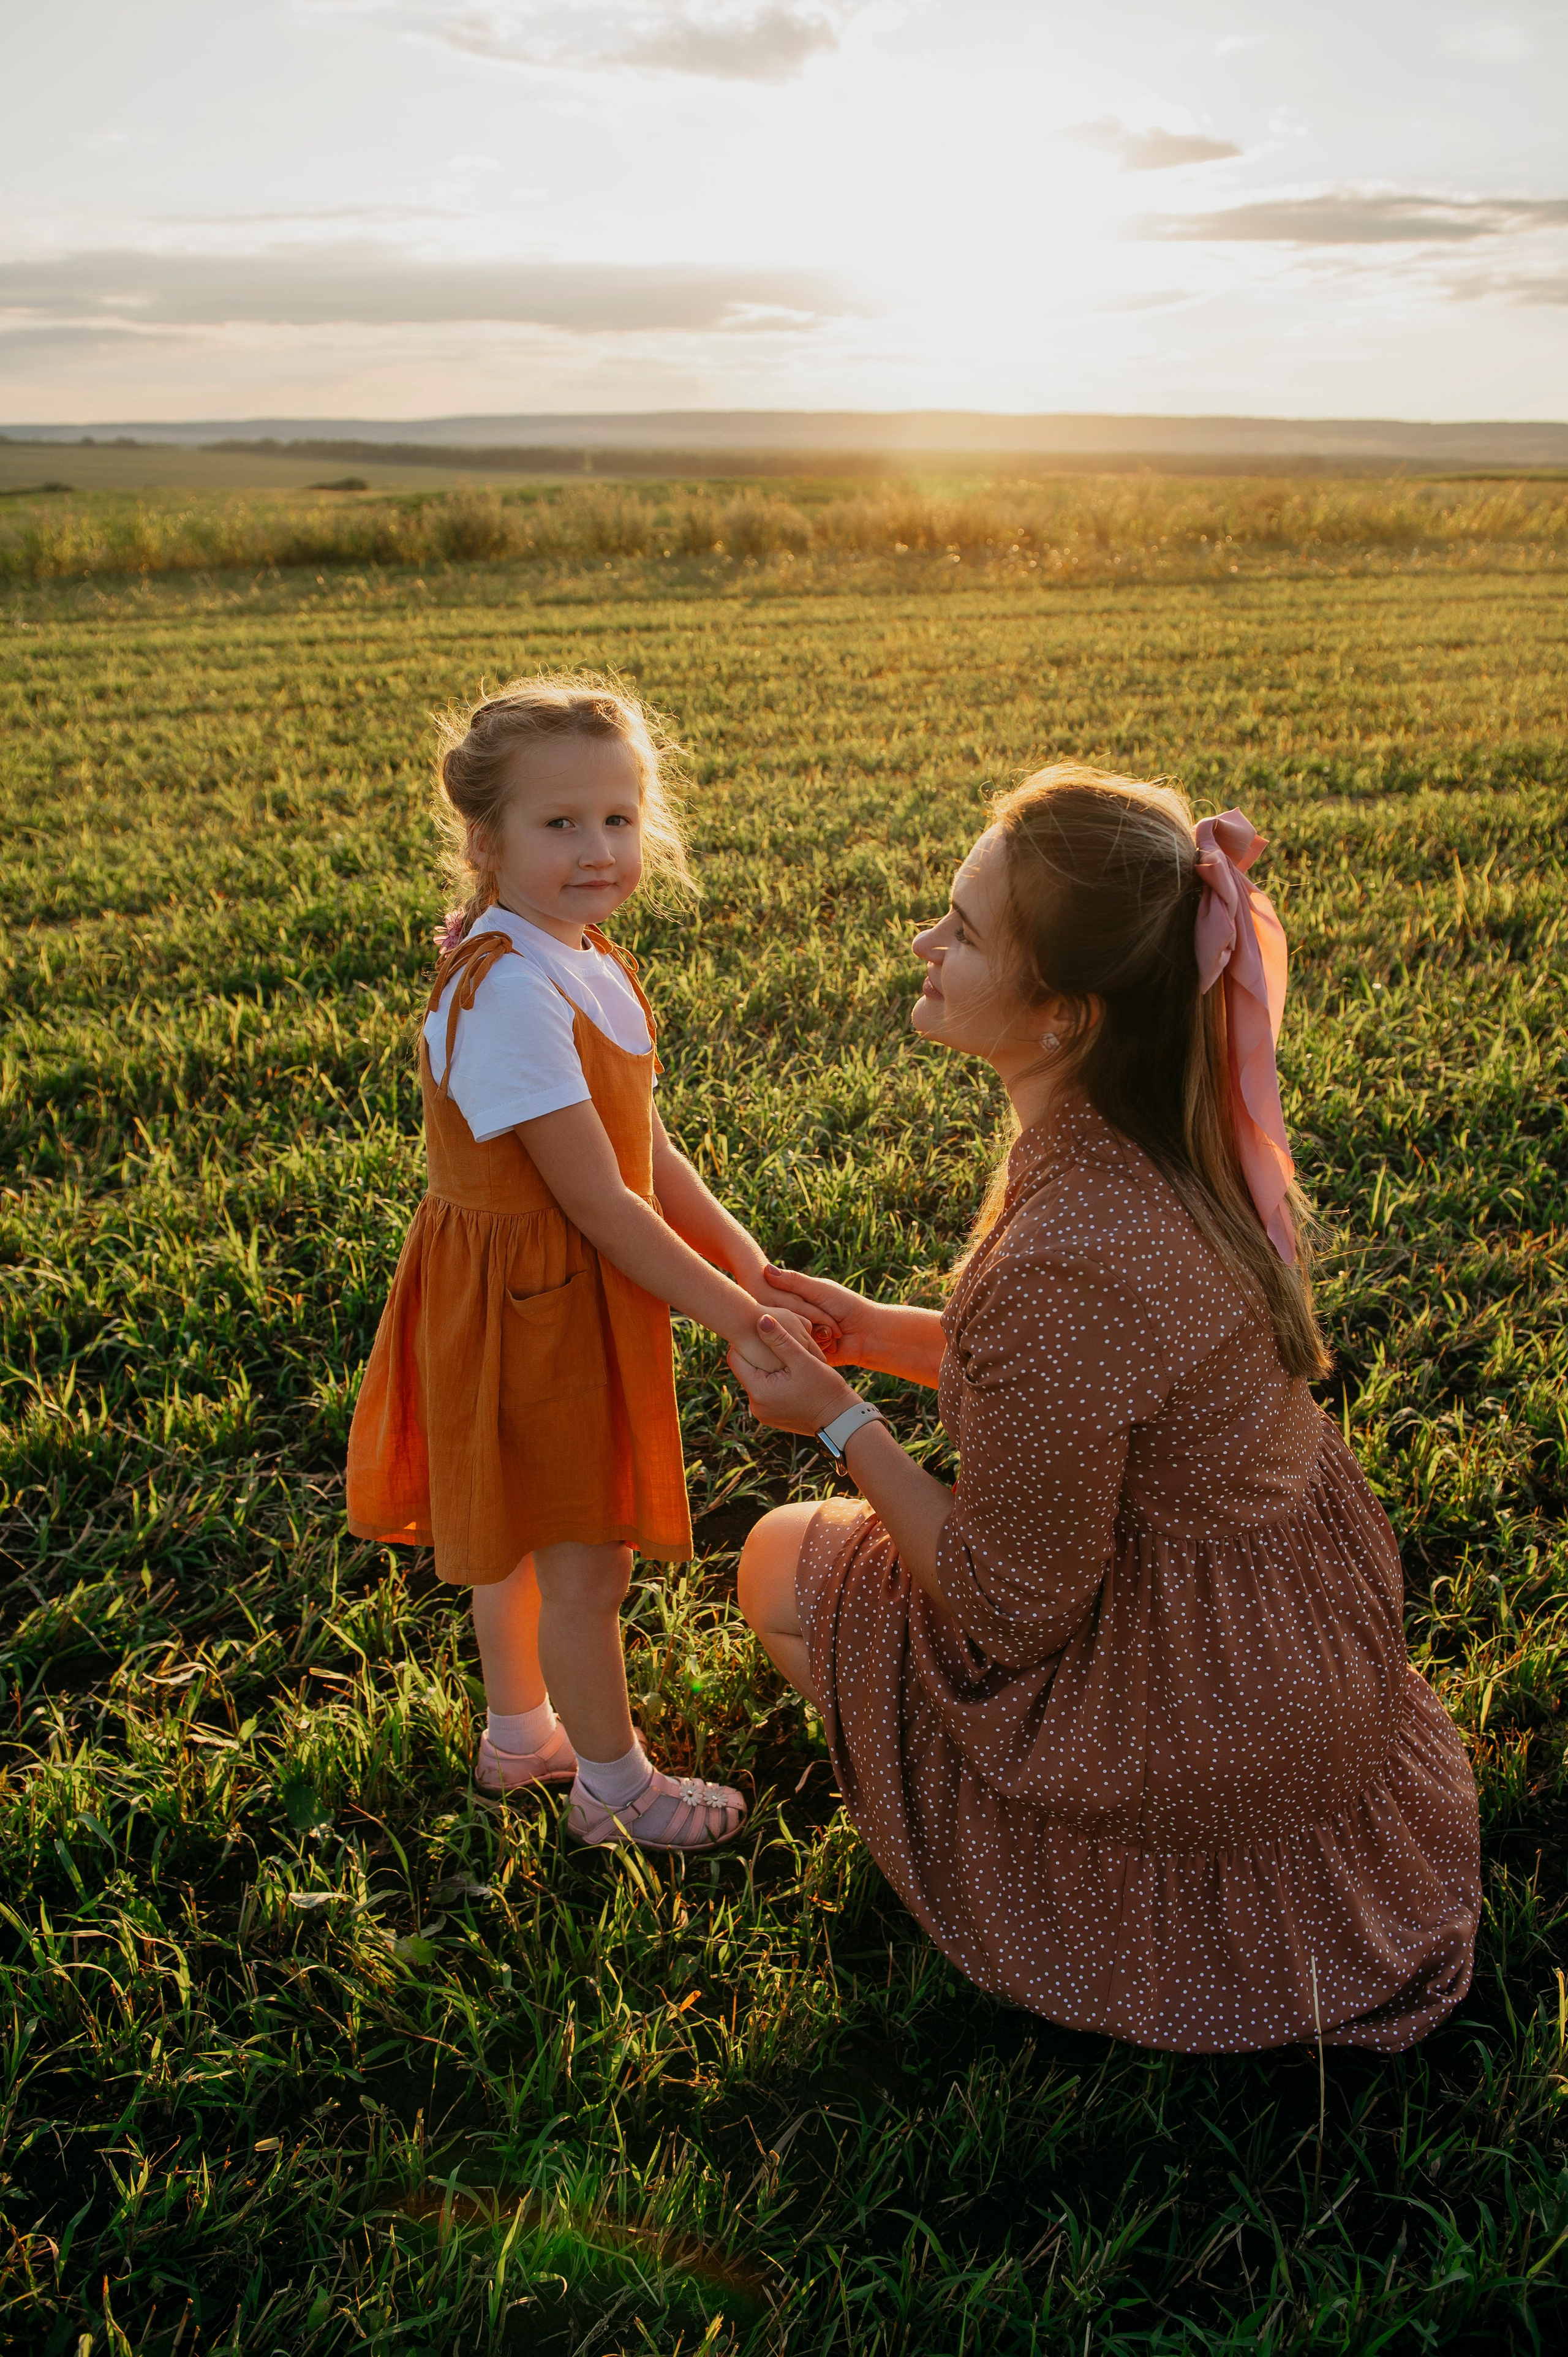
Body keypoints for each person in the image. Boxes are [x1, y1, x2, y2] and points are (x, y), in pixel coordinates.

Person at [733, 766, 1480, 2053]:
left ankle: (1014, 1841)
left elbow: (1009, 1607)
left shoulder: (1065, 1259)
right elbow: (1089, 1390)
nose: (923, 942)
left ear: (1065, 1016)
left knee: (772, 1561)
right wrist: (876, 1328)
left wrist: (842, 1420)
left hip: (1200, 1705)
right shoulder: (1171, 1139)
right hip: (1290, 1645)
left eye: (964, 931)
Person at [347, 676, 831, 1852]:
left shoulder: (575, 955)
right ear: (486, 839)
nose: (597, 848)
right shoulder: (513, 990)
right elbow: (602, 1202)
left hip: (535, 1294)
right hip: (533, 1307)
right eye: (559, 823)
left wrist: (746, 1259)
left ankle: (521, 1736)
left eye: (618, 818)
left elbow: (645, 1146)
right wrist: (741, 1320)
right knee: (581, 1566)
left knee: (524, 1534)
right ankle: (613, 1791)